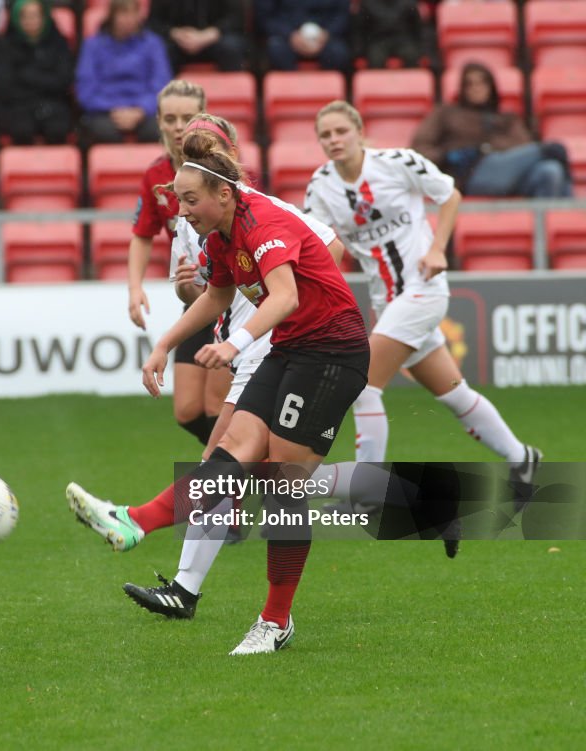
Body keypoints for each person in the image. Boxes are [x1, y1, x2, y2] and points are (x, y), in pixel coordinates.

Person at [69, 122, 370, 655]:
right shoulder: (221, 235)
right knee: (231, 450)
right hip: (292, 351)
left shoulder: (264, 223)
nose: (182, 211)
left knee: (283, 486)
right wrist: (163, 346)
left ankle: (275, 621)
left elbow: (284, 297)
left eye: (190, 200)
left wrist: (234, 345)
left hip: (333, 355)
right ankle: (134, 521)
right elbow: (214, 296)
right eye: (178, 200)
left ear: (224, 193)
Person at [305, 100, 542, 522]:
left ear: (359, 131)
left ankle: (366, 492)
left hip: (422, 290)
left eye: (341, 131)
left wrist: (437, 248)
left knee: (364, 386)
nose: (334, 140)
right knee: (453, 392)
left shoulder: (397, 163)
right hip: (387, 301)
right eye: (326, 135)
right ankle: (522, 457)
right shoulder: (321, 187)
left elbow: (450, 194)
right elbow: (316, 240)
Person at [128, 80, 231, 446]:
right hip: (198, 300)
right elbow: (142, 234)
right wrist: (136, 288)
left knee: (218, 407)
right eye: (169, 118)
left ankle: (240, 486)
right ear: (158, 121)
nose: (177, 126)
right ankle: (248, 471)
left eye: (186, 118)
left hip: (232, 301)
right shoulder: (156, 177)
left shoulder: (224, 177)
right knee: (187, 411)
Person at [411, 62, 573, 199]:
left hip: (509, 172)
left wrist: (488, 147)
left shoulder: (508, 119)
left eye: (482, 83)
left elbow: (523, 149)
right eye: (470, 84)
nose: (476, 88)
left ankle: (552, 230)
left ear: (491, 86)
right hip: (471, 175)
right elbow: (419, 149)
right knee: (554, 150)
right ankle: (575, 216)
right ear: (462, 88)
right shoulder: (445, 113)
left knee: (551, 170)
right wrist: (447, 156)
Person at [76, 0, 172, 145]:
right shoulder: (92, 46)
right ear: (112, 16)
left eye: (133, 14)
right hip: (104, 111)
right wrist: (113, 109)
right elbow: (86, 88)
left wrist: (140, 110)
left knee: (157, 131)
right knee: (103, 132)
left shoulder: (153, 44)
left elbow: (162, 85)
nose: (129, 19)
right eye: (123, 13)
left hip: (144, 110)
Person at [0, 0, 74, 145]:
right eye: (25, 16)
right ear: (16, 19)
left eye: (35, 15)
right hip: (17, 107)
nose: (31, 21)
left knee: (58, 129)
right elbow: (4, 87)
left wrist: (25, 76)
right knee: (21, 129)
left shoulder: (59, 44)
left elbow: (64, 81)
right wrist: (45, 81)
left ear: (45, 17)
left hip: (53, 106)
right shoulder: (4, 47)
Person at [146, 0, 248, 73]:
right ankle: (167, 98)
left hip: (215, 37)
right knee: (160, 50)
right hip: (177, 40)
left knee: (231, 48)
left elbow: (236, 18)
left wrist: (207, 35)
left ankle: (230, 97)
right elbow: (153, 22)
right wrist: (175, 33)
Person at [254, 0, 351, 73]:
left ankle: (329, 94)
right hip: (286, 36)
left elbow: (342, 14)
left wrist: (327, 34)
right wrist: (290, 35)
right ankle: (290, 94)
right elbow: (266, 17)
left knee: (338, 53)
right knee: (276, 51)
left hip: (326, 36)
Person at [353, 0, 422, 69]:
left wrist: (424, 53)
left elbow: (419, 29)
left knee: (412, 57)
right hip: (377, 41)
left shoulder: (409, 3)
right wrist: (359, 55)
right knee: (375, 59)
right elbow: (359, 30)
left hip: (404, 41)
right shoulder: (367, 3)